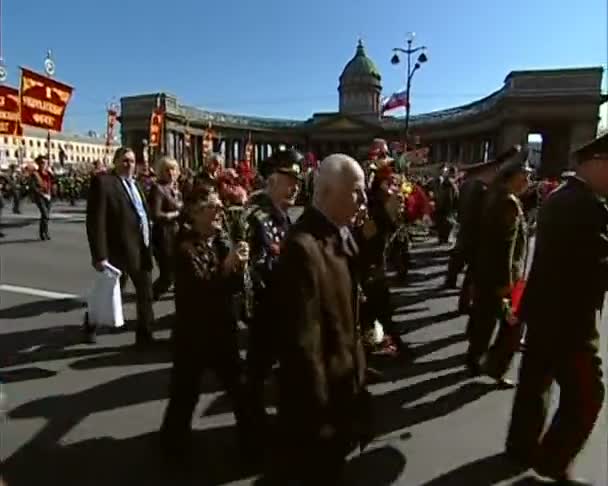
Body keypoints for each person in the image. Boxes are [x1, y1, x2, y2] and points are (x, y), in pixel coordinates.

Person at [506, 133, 608, 486]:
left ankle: (520, 447)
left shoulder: (560, 197)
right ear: (594, 162)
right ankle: (551, 462)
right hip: (571, 324)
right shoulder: (586, 206)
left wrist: (525, 309)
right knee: (588, 395)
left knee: (535, 383)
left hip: (546, 312)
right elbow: (597, 267)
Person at [270, 153, 372, 485]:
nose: (363, 199)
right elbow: (304, 344)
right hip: (320, 406)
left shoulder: (340, 233)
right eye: (356, 191)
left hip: (344, 385)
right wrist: (321, 414)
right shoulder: (303, 247)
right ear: (327, 192)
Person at [160, 187, 253, 463]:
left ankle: (252, 439)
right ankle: (172, 445)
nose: (219, 211)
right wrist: (227, 267)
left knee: (240, 388)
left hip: (222, 331)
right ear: (195, 213)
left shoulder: (219, 239)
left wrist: (239, 266)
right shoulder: (185, 247)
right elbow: (201, 290)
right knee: (184, 394)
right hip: (194, 335)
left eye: (219, 206)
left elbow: (232, 288)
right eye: (212, 207)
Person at [244, 147, 302, 434]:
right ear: (271, 180)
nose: (295, 187)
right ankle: (252, 430)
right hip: (265, 309)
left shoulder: (284, 216)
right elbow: (251, 270)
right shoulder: (256, 216)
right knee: (256, 373)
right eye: (289, 179)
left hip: (283, 307)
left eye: (297, 181)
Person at [466, 146, 531, 386]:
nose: (527, 180)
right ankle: (496, 368)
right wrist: (507, 284)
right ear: (512, 177)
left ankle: (474, 359)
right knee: (513, 326)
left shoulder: (495, 196)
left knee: (485, 320)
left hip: (488, 273)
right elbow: (506, 247)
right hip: (507, 278)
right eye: (524, 175)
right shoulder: (508, 204)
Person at [84, 147, 156, 346]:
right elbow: (95, 221)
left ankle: (145, 336)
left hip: (141, 248)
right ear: (115, 162)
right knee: (108, 293)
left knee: (145, 294)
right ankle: (91, 325)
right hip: (118, 251)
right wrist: (100, 255)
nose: (129, 164)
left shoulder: (136, 185)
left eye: (132, 161)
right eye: (124, 160)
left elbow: (143, 214)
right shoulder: (104, 182)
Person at [149, 156, 182, 301]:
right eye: (167, 170)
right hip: (163, 236)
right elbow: (155, 214)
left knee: (177, 271)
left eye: (173, 169)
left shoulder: (175, 188)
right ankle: (148, 296)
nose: (171, 173)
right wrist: (176, 214)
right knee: (167, 275)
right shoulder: (158, 188)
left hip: (176, 234)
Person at [30, 155, 54, 241]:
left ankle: (45, 232)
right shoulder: (35, 174)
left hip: (48, 196)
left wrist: (52, 173)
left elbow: (54, 182)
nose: (44, 164)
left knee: (46, 216)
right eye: (42, 163)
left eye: (46, 163)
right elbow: (33, 186)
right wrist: (41, 192)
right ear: (39, 164)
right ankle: (42, 233)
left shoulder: (48, 173)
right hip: (40, 196)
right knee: (45, 214)